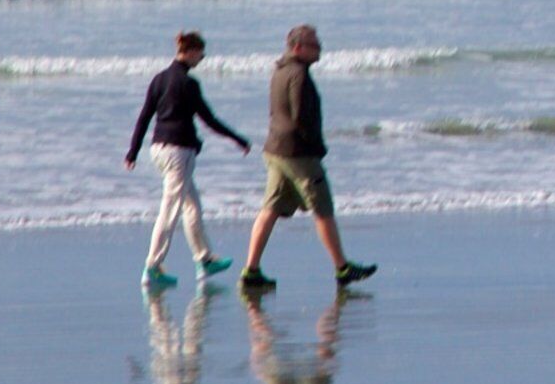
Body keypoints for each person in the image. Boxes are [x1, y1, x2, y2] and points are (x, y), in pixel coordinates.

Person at [243, 23, 374, 291]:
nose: (320, 48)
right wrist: (316, 147)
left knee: (270, 209)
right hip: (298, 154)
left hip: (275, 149)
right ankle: (342, 267)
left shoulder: (280, 70)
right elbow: (301, 117)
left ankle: (251, 270)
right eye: (314, 44)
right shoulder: (298, 75)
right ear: (298, 47)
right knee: (322, 207)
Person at [126, 29, 250, 288]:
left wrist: (133, 151)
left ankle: (204, 259)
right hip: (179, 152)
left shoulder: (159, 79)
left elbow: (144, 117)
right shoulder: (188, 84)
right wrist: (237, 139)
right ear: (190, 52)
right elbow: (209, 119)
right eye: (200, 55)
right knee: (170, 210)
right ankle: (152, 267)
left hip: (159, 150)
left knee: (192, 205)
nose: (201, 59)